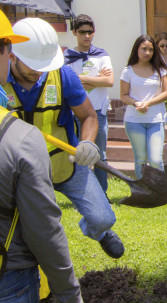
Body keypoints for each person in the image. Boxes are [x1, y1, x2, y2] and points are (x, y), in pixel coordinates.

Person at [0, 1, 82, 303]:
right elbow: (43, 229)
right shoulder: (18, 137)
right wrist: (68, 293)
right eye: (10, 52)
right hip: (5, 282)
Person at [3, 18, 125, 259]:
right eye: (32, 65)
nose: (39, 71)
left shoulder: (62, 75)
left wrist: (87, 142)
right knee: (37, 232)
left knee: (103, 218)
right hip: (23, 170)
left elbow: (89, 116)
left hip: (65, 162)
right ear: (12, 56)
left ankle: (97, 231)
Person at [64, 14, 114, 195]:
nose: (86, 36)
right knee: (78, 155)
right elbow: (67, 85)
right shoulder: (67, 57)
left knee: (100, 155)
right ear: (74, 33)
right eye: (82, 32)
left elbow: (109, 81)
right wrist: (96, 79)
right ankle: (82, 195)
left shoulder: (101, 55)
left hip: (98, 112)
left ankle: (102, 194)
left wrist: (81, 79)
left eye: (90, 32)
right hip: (75, 114)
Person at [119, 34, 167, 179]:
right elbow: (123, 95)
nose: (147, 53)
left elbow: (166, 93)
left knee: (155, 160)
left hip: (155, 120)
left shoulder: (161, 70)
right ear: (136, 50)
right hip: (134, 121)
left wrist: (147, 103)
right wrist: (136, 103)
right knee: (140, 159)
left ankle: (160, 192)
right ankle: (144, 192)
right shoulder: (127, 71)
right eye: (143, 49)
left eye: (150, 50)